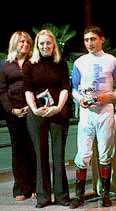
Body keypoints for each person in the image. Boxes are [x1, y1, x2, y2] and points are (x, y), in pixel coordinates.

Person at [70, 25, 116, 209]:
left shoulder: (112, 61)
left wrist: (108, 97)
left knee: (105, 152)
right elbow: (74, 89)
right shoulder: (79, 62)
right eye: (86, 40)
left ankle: (105, 194)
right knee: (83, 153)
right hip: (86, 113)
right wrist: (80, 101)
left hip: (105, 111)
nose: (89, 43)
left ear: (102, 39)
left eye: (93, 39)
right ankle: (79, 196)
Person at [23, 29, 70, 208]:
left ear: (53, 45)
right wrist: (34, 109)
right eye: (41, 43)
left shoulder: (61, 63)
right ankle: (43, 197)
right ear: (37, 45)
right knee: (40, 155)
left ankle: (62, 196)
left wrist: (58, 107)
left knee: (58, 155)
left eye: (48, 43)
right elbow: (27, 89)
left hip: (58, 113)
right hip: (37, 114)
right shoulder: (29, 64)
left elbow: (66, 86)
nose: (45, 46)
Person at [0, 31, 36, 201]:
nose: (26, 45)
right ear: (15, 43)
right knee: (18, 148)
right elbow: (1, 90)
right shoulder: (5, 65)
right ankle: (21, 187)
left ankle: (36, 186)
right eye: (22, 42)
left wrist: (32, 107)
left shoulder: (34, 63)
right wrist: (12, 109)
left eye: (28, 42)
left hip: (32, 110)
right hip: (13, 112)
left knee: (32, 147)